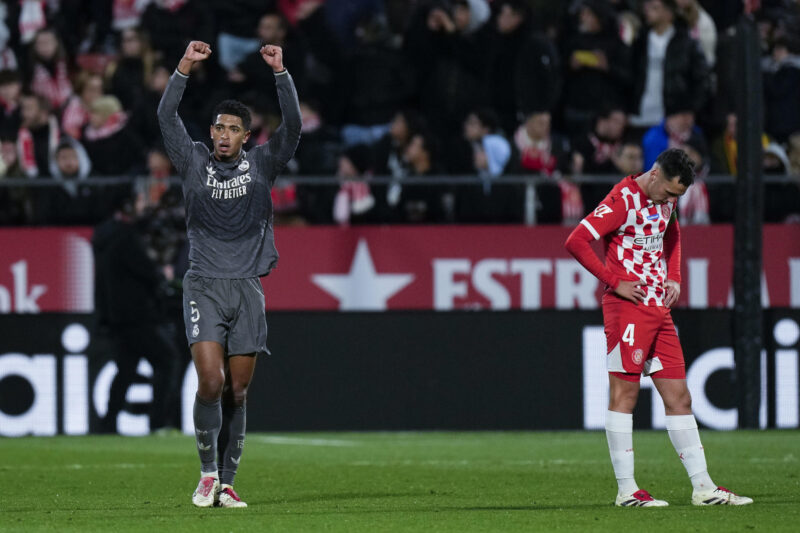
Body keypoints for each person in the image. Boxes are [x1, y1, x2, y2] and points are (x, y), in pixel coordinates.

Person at [564, 148, 752, 507]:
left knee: (680, 397)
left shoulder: (667, 199)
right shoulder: (621, 200)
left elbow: (673, 235)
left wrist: (675, 276)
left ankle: (703, 488)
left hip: (658, 309)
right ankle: (626, 491)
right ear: (653, 174)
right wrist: (613, 280)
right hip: (628, 309)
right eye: (668, 192)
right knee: (625, 396)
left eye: (677, 196)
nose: (670, 200)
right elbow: (575, 240)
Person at [157, 40, 301, 508]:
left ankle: (228, 482)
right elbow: (165, 118)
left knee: (238, 391)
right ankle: (205, 475)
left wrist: (280, 74)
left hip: (247, 289)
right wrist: (183, 67)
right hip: (204, 285)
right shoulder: (193, 159)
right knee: (211, 383)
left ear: (246, 136)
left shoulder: (263, 163)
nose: (222, 134)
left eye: (232, 129)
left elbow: (294, 126)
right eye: (218, 126)